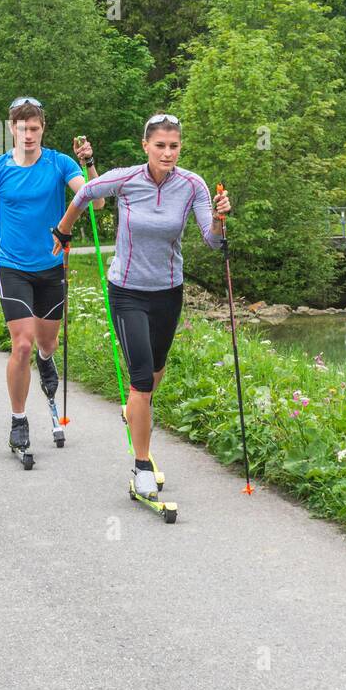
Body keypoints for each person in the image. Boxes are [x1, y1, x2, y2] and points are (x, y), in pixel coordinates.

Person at [51, 113, 232, 499]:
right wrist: (64, 231)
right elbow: (85, 194)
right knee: (142, 379)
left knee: (156, 372)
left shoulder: (192, 185)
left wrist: (219, 220)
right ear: (145, 146)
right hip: (127, 290)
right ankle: (143, 464)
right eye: (160, 145)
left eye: (174, 146)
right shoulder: (126, 178)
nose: (167, 153)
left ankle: (135, 411)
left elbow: (213, 242)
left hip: (168, 290)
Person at [0, 97, 104, 455]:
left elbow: (97, 200)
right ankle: (18, 419)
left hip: (51, 268)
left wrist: (89, 163)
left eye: (35, 127)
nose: (28, 134)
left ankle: (46, 361)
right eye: (22, 127)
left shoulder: (59, 163)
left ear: (43, 129)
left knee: (46, 345)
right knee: (22, 343)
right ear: (11, 129)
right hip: (13, 267)